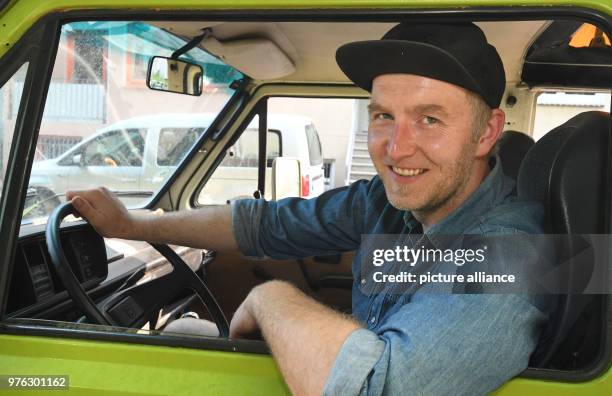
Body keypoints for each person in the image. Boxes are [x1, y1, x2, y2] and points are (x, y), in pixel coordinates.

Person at [67, 22, 550, 395]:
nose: (396, 149)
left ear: (487, 133)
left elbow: (371, 387)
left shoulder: (512, 253)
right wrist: (133, 223)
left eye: (429, 119)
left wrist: (268, 299)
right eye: (384, 116)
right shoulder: (391, 205)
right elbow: (263, 226)